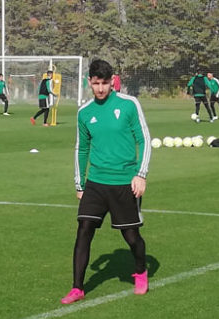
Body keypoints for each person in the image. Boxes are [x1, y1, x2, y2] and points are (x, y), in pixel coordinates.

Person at [61, 59, 152, 304]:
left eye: (105, 83)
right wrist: (80, 184)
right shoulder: (85, 112)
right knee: (84, 230)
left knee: (131, 237)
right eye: (96, 83)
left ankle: (141, 271)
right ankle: (77, 287)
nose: (100, 88)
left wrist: (140, 174)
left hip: (125, 182)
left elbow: (144, 140)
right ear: (89, 82)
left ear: (113, 81)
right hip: (96, 182)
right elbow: (82, 149)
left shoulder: (129, 105)